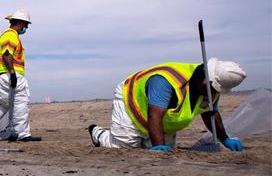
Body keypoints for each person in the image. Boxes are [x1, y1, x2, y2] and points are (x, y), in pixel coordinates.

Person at [89, 59, 246, 151]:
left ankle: (147, 140)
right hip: (131, 101)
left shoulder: (210, 90)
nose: (214, 94)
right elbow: (154, 114)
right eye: (213, 89)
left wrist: (225, 139)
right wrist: (158, 146)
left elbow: (210, 113)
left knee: (153, 148)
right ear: (204, 80)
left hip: (164, 119)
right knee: (124, 146)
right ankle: (98, 134)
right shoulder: (166, 81)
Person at [0, 9, 41, 142]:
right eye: (26, 25)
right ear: (20, 23)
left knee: (2, 104)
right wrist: (12, 74)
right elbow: (7, 54)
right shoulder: (11, 35)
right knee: (20, 102)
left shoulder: (9, 35)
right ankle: (22, 134)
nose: (26, 28)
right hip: (7, 75)